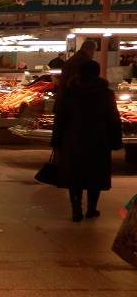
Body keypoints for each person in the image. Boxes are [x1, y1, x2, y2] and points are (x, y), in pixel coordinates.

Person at [50, 60, 123, 222]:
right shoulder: (106, 94)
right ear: (97, 73)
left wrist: (56, 141)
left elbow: (60, 118)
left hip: (72, 139)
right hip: (99, 141)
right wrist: (116, 141)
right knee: (95, 175)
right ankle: (91, 208)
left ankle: (76, 209)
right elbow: (113, 119)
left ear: (79, 73)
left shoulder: (69, 92)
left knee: (74, 175)